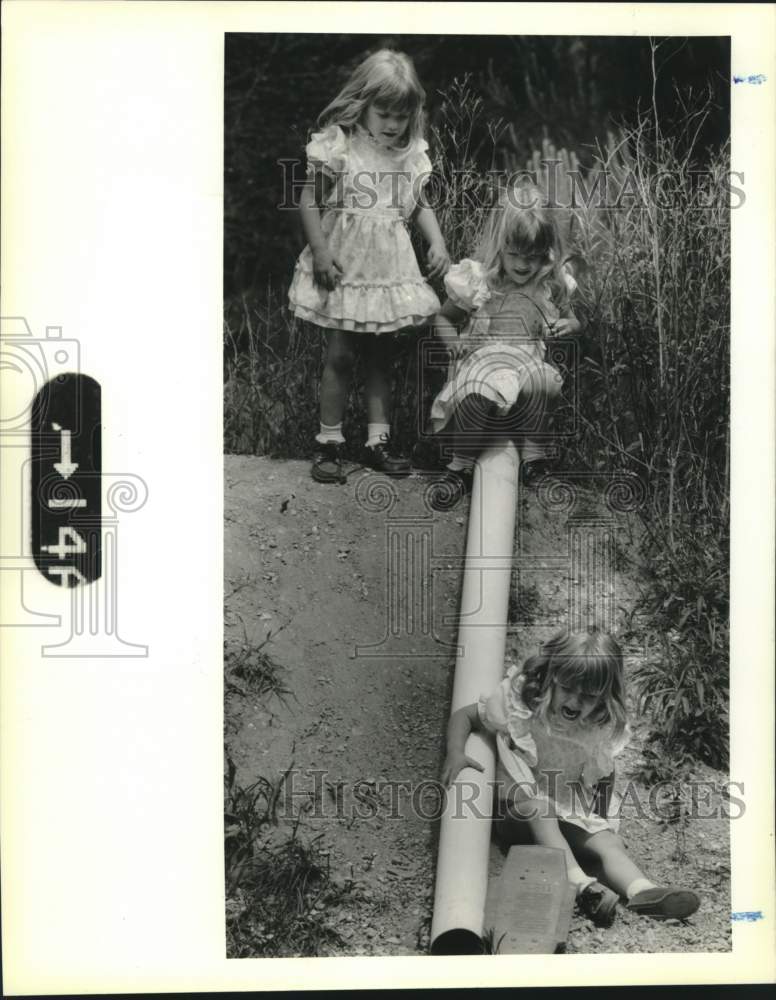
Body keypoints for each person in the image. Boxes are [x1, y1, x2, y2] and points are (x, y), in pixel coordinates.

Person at [441, 629, 701, 927]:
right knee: (542, 809)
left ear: (603, 697)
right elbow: (465, 715)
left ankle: (644, 891)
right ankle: (581, 887)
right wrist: (455, 753)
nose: (576, 702)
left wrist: (599, 821)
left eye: (589, 696)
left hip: (566, 811)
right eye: (567, 688)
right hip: (518, 811)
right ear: (551, 676)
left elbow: (605, 772)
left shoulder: (596, 726)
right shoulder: (523, 706)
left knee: (607, 842)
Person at [288, 49, 450, 484]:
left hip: (386, 271)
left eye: (402, 114)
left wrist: (436, 242)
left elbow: (418, 205)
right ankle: (329, 441)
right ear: (362, 103)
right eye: (384, 112)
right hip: (345, 266)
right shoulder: (340, 145)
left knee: (381, 354)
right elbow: (308, 199)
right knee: (340, 354)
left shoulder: (408, 154)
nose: (393, 123)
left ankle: (379, 442)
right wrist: (320, 252)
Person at [427, 183, 579, 508]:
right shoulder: (480, 280)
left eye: (534, 257)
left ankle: (533, 460)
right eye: (515, 254)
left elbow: (574, 320)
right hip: (482, 367)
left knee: (546, 379)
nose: (524, 265)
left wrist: (569, 325)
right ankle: (460, 467)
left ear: (546, 251)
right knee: (476, 390)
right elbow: (442, 318)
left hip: (525, 369)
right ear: (500, 244)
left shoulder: (550, 284)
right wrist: (452, 342)